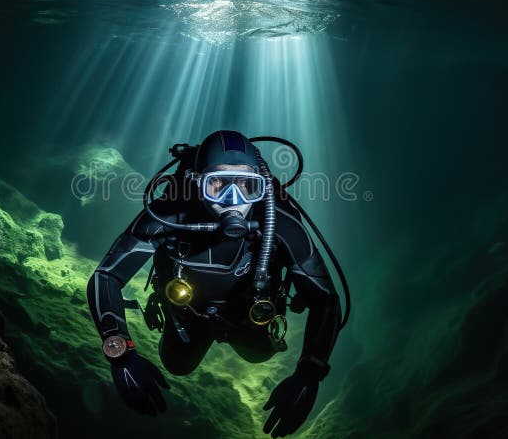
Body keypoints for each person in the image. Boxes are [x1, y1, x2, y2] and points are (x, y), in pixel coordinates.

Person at [87, 130, 342, 438]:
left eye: (248, 186)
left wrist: (310, 373)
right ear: (196, 183)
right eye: (217, 184)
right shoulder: (167, 217)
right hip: (186, 318)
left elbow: (325, 299)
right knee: (177, 364)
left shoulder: (281, 225)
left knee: (258, 354)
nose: (233, 201)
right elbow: (107, 276)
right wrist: (120, 352)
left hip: (251, 321)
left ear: (261, 187)